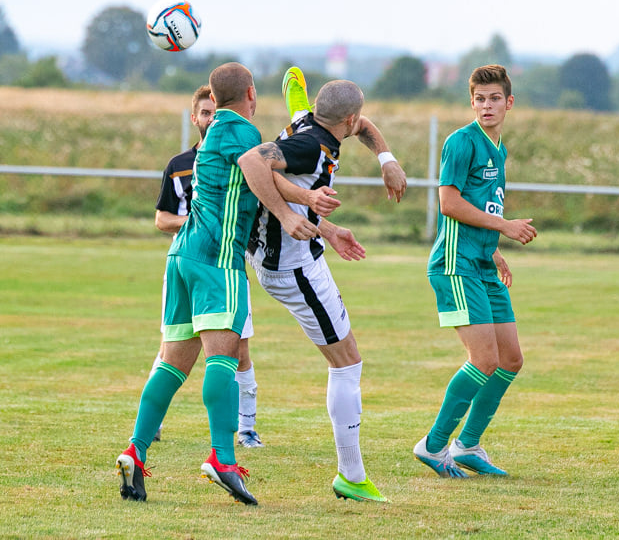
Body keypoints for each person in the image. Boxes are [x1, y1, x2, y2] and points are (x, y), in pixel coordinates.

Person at [116, 62, 319, 505]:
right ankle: (223, 458)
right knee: (224, 358)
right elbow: (260, 171)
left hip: (181, 257)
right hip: (217, 260)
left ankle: (136, 449)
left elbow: (263, 173)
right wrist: (295, 210)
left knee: (172, 364)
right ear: (251, 92)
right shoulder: (243, 133)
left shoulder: (216, 133)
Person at [239, 74, 406, 503]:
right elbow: (252, 163)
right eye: (357, 119)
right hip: (292, 268)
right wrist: (292, 216)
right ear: (346, 118)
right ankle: (350, 475)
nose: (361, 125)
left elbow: (365, 128)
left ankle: (351, 473)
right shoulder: (308, 145)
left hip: (300, 256)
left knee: (346, 361)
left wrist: (386, 160)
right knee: (346, 363)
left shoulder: (307, 123)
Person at [414, 65, 537, 478]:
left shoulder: (497, 147)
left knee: (510, 359)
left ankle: (467, 446)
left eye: (495, 98)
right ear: (472, 102)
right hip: (455, 265)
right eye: (480, 99)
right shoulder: (461, 142)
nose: (487, 106)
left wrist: (495, 248)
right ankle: (432, 447)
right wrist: (504, 226)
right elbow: (448, 204)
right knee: (483, 359)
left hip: (482, 263)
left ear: (509, 102)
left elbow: (483, 205)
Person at [152, 85, 263, 449]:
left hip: (214, 260)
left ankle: (246, 429)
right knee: (177, 350)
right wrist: (198, 225)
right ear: (194, 117)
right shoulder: (179, 165)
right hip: (204, 260)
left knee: (238, 348)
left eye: (213, 112)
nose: (209, 118)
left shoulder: (242, 151)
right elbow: (161, 218)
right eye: (204, 113)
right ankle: (218, 451)